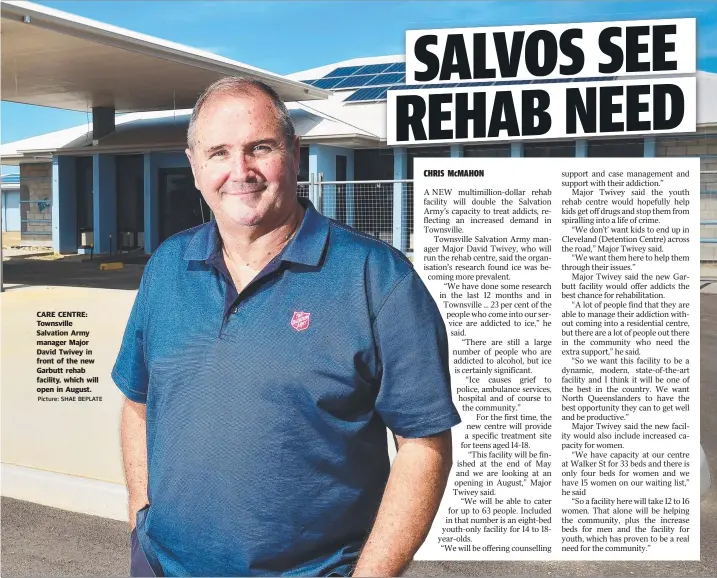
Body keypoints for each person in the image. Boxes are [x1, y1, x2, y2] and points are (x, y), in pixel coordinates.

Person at [112, 76, 461, 578]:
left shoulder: (378, 278)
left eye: (260, 148)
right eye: (219, 152)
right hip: (162, 567)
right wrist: (140, 525)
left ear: (295, 152)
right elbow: (139, 401)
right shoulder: (167, 266)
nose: (241, 170)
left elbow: (424, 446)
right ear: (193, 166)